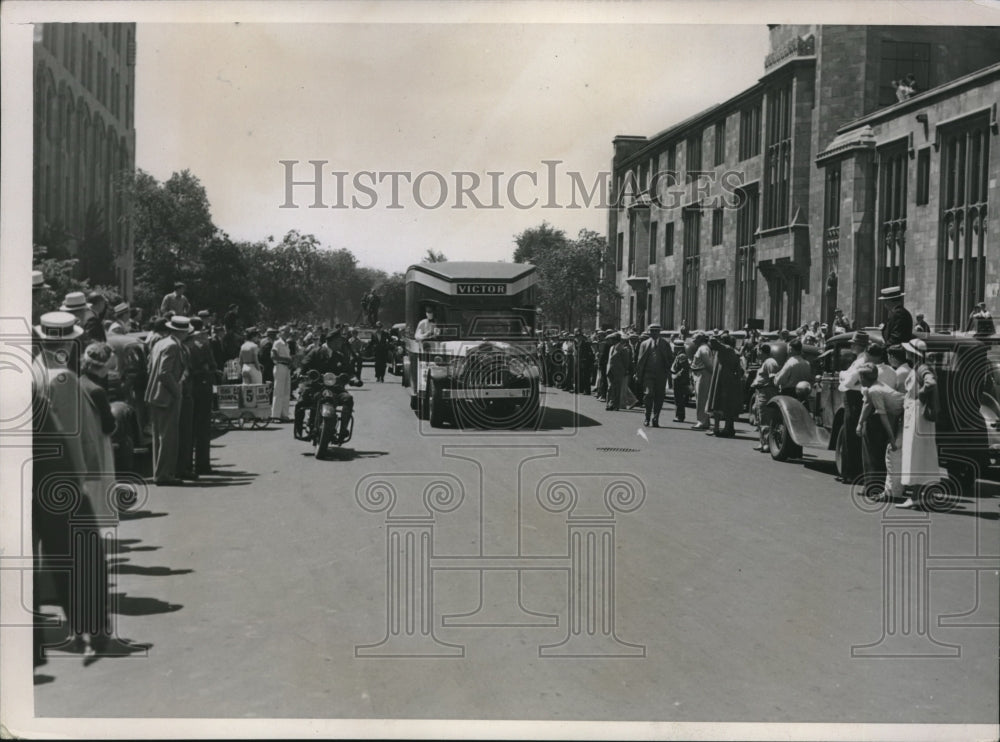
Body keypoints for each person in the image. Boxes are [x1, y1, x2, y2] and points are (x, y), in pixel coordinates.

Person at [896, 338, 943, 509]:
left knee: (915, 454)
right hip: (918, 416)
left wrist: (920, 396)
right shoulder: (920, 367)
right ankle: (919, 495)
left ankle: (915, 496)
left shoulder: (922, 368)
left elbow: (930, 382)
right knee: (921, 455)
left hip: (917, 416)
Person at [145, 315, 190, 486]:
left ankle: (160, 472)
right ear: (183, 332)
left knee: (159, 436)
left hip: (156, 394)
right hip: (167, 395)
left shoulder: (160, 343)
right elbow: (165, 373)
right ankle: (164, 474)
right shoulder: (172, 346)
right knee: (168, 436)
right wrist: (177, 391)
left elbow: (152, 367)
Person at [857, 363, 904, 499]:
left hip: (901, 417)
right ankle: (876, 486)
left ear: (863, 377)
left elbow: (883, 416)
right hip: (898, 415)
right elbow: (868, 405)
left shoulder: (874, 390)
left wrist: (891, 437)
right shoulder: (876, 386)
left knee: (876, 453)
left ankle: (876, 487)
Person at [184, 317, 218, 475]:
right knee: (203, 427)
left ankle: (186, 464)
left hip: (188, 387)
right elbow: (211, 365)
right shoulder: (203, 344)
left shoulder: (184, 344)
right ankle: (202, 464)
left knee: (188, 427)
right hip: (203, 385)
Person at [838, 330, 872, 483]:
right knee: (851, 434)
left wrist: (842, 375)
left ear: (859, 345)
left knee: (850, 435)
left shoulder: (860, 361)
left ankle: (850, 472)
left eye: (854, 344)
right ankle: (852, 471)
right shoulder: (861, 359)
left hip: (853, 397)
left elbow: (849, 380)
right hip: (855, 396)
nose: (851, 346)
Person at [634, 324, 673, 427]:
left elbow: (670, 357)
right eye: (652, 331)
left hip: (661, 374)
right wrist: (638, 374)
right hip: (648, 373)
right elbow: (639, 360)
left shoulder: (665, 344)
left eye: (656, 331)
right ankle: (647, 417)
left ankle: (656, 418)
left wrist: (667, 368)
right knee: (648, 394)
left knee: (659, 396)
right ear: (649, 332)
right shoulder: (644, 344)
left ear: (659, 332)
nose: (654, 333)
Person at [706, 335, 742, 437]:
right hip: (726, 380)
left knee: (718, 404)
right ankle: (725, 428)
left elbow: (712, 341)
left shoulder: (726, 348)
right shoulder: (732, 351)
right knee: (725, 405)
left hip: (721, 381)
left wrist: (715, 335)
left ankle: (720, 429)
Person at [751, 342, 781, 453]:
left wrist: (766, 386)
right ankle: (762, 442)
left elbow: (773, 379)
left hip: (766, 392)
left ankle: (767, 444)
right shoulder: (765, 362)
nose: (757, 352)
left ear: (761, 351)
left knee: (765, 417)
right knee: (759, 416)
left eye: (758, 350)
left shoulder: (770, 362)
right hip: (760, 392)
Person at [689, 333, 713, 430]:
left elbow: (708, 364)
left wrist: (712, 375)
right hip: (700, 374)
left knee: (701, 399)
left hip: (702, 375)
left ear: (700, 339)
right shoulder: (702, 348)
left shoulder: (703, 349)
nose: (693, 341)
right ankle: (705, 420)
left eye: (695, 339)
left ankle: (702, 421)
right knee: (701, 398)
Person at [271, 325, 293, 422]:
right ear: (280, 332)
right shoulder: (277, 343)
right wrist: (286, 359)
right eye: (285, 331)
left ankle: (284, 414)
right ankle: (275, 415)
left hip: (286, 367)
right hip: (280, 366)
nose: (287, 333)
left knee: (286, 391)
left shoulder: (286, 344)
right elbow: (273, 356)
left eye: (288, 332)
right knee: (278, 391)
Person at [605, 332, 632, 411]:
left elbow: (626, 362)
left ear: (616, 340)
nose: (610, 341)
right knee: (610, 388)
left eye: (611, 339)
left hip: (618, 371)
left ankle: (615, 405)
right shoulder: (611, 348)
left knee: (617, 388)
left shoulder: (623, 349)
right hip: (610, 370)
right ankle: (609, 404)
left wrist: (624, 370)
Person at [670, 336, 691, 423]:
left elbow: (685, 368)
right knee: (677, 399)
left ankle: (680, 416)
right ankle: (678, 415)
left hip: (680, 381)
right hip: (678, 380)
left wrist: (677, 376)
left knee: (679, 399)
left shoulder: (682, 356)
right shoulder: (679, 355)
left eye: (674, 347)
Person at [575, 328, 595, 395]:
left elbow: (590, 353)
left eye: (579, 336)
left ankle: (587, 390)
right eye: (577, 337)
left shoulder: (586, 343)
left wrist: (588, 360)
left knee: (586, 376)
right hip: (580, 361)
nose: (578, 338)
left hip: (585, 361)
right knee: (580, 376)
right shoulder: (578, 343)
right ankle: (581, 389)